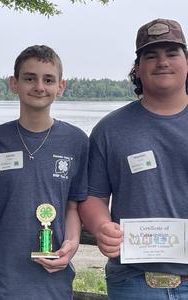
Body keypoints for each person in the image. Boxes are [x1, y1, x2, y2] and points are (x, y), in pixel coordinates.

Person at [78, 18, 188, 299]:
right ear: (137, 69)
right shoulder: (110, 129)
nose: (162, 62)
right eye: (151, 56)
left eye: (172, 53)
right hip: (133, 281)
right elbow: (93, 198)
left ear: (186, 62)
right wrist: (101, 227)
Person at [0, 45, 89, 299]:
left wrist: (71, 246)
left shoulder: (77, 141)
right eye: (30, 78)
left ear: (61, 86)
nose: (39, 86)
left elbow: (73, 206)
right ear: (14, 83)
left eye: (48, 79)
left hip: (52, 278)